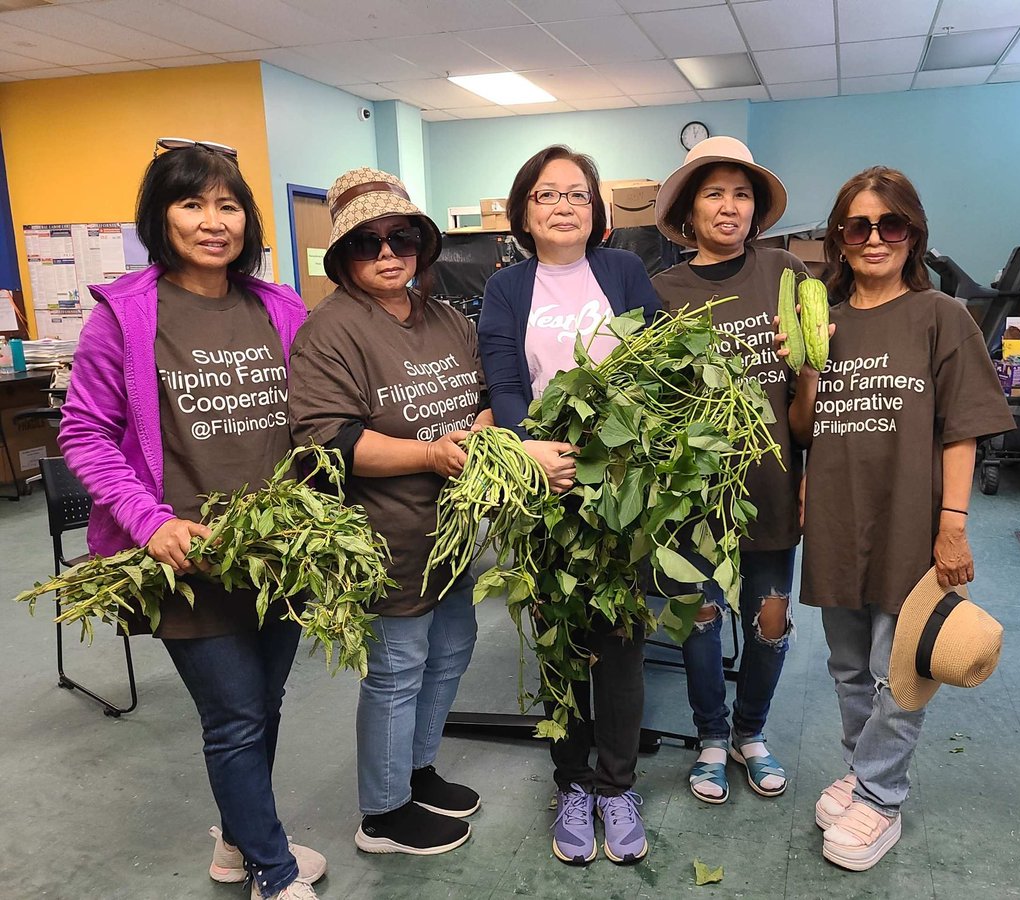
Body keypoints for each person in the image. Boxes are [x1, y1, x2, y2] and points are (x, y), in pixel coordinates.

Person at [58, 138, 321, 900]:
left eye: (229, 204)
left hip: (279, 550)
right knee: (235, 716)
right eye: (193, 202)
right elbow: (84, 433)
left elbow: (317, 411)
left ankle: (239, 844)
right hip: (184, 554)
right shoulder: (126, 314)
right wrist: (151, 523)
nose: (215, 221)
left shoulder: (280, 307)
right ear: (161, 215)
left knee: (263, 705)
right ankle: (273, 872)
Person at [788, 166, 1014, 871]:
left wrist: (953, 522)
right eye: (859, 226)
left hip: (910, 518)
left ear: (913, 234)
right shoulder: (820, 316)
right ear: (840, 238)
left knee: (900, 667)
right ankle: (863, 771)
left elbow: (962, 428)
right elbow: (802, 428)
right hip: (834, 513)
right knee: (849, 666)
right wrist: (807, 362)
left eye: (891, 225)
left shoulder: (941, 316)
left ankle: (882, 798)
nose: (875, 238)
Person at [288, 168, 487, 859]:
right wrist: (431, 456)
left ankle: (417, 768)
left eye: (400, 236)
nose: (387, 252)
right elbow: (326, 441)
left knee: (452, 651)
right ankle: (383, 812)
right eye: (367, 242)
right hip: (388, 538)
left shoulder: (446, 319)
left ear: (422, 244)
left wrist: (483, 436)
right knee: (398, 669)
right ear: (342, 255)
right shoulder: (332, 331)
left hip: (455, 534)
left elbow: (483, 396)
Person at [477, 145, 659, 866]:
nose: (562, 206)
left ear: (596, 211)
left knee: (620, 643)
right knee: (560, 640)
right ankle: (573, 783)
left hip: (623, 484)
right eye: (547, 194)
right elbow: (506, 383)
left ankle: (616, 785)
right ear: (525, 210)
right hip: (547, 484)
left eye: (577, 195)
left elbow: (656, 368)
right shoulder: (505, 288)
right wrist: (530, 449)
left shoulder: (624, 272)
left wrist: (622, 451)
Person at [651, 136, 808, 806]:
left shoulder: (788, 274)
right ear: (690, 209)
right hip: (695, 495)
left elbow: (810, 393)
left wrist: (810, 477)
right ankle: (711, 738)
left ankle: (752, 733)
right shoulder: (659, 291)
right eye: (714, 192)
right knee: (703, 619)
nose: (730, 206)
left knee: (770, 619)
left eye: (741, 193)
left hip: (772, 484)